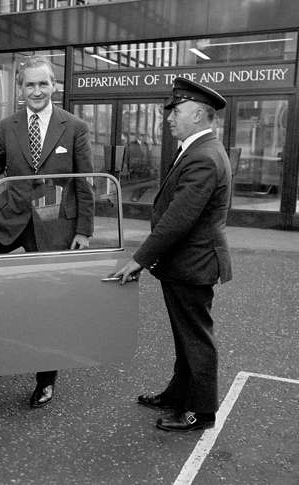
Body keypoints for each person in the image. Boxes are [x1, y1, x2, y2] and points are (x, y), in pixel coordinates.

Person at [0, 56, 95, 409]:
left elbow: (85, 182)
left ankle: (45, 380)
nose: (37, 91)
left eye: (43, 84)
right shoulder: (9, 124)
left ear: (54, 86)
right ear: (20, 88)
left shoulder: (74, 127)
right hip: (9, 215)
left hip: (52, 223)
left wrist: (84, 231)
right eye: (30, 85)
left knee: (48, 301)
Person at [114, 77, 232, 432]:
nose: (169, 117)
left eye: (176, 111)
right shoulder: (198, 149)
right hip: (186, 264)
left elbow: (177, 220)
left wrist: (138, 260)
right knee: (186, 337)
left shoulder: (205, 157)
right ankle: (177, 395)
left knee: (196, 339)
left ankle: (200, 412)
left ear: (197, 114)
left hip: (192, 265)